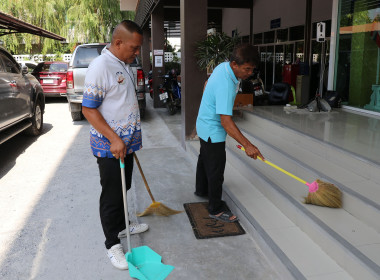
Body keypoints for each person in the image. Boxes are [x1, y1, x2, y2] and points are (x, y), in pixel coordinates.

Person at [82, 20, 148, 270]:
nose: (137, 52)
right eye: (134, 47)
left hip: (124, 143)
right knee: (112, 194)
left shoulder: (122, 62)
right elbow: (88, 109)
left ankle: (122, 224)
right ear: (118, 43)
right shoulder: (101, 66)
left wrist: (126, 138)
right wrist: (114, 138)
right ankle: (112, 244)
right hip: (110, 146)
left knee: (124, 186)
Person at [195, 43, 265, 223]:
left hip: (203, 123)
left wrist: (208, 104)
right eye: (247, 69)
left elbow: (206, 83)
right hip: (213, 129)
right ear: (234, 64)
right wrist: (248, 145)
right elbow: (226, 121)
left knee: (204, 159)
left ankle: (201, 190)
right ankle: (215, 209)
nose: (249, 73)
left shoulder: (223, 67)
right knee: (216, 169)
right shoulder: (226, 83)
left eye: (252, 69)